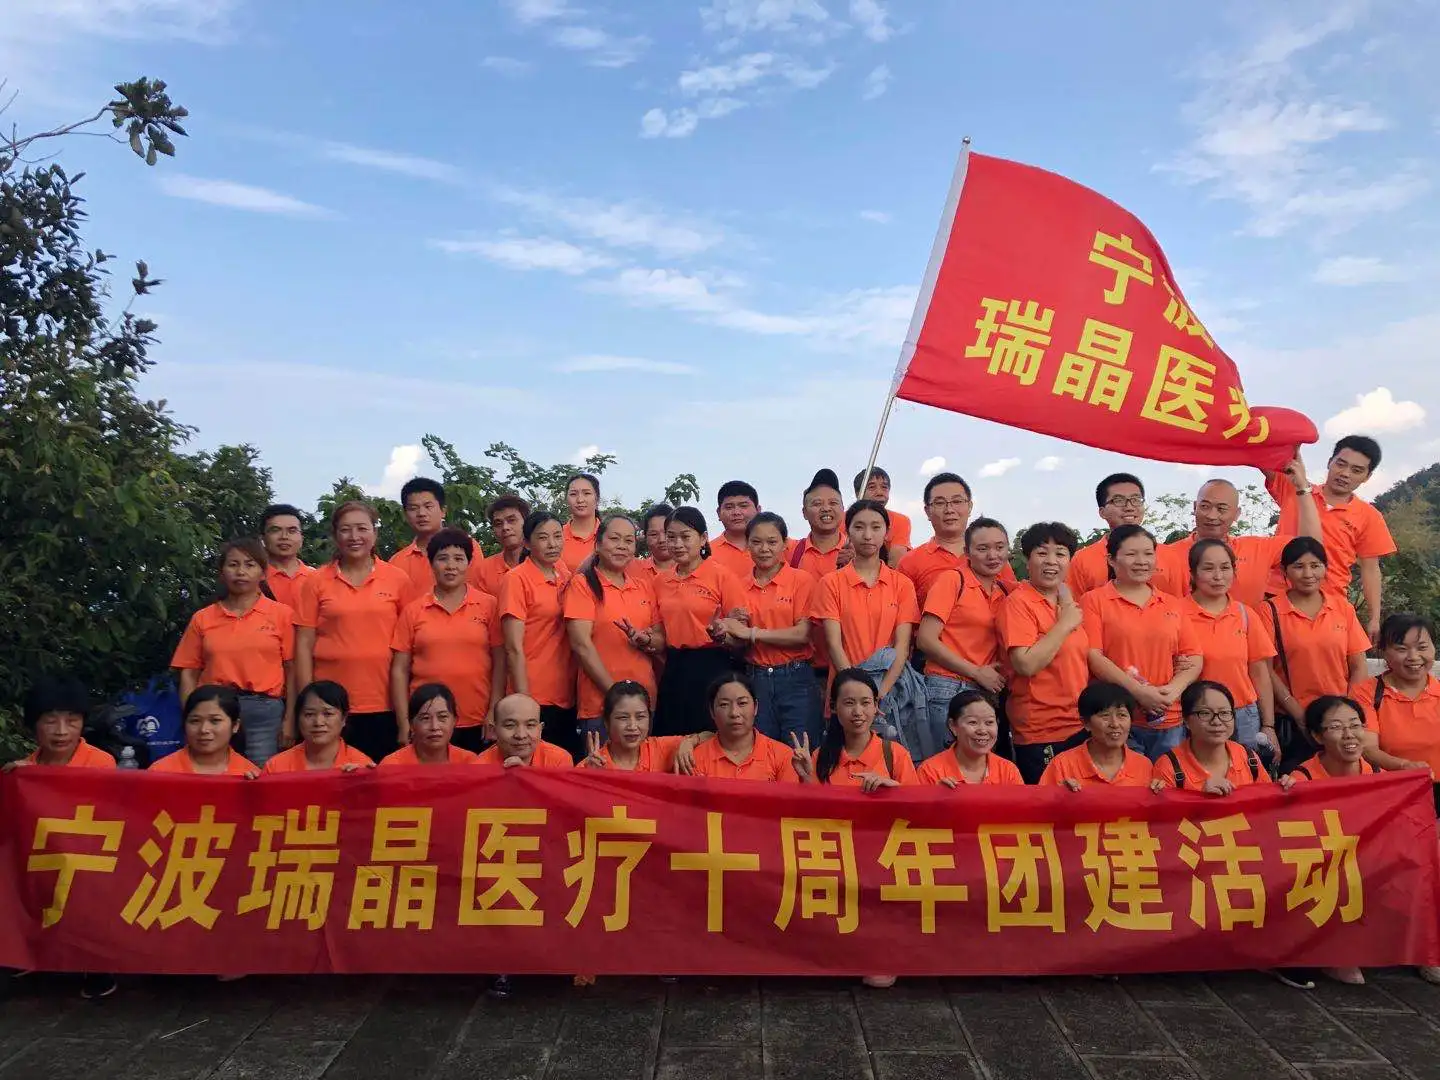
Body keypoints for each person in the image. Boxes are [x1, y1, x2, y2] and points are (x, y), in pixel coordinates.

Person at [294, 499, 414, 764]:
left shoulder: (398, 579)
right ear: (335, 535)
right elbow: (303, 644)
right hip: (329, 707)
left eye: (362, 528)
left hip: (385, 702)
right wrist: (306, 702)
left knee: (380, 780)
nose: (354, 536)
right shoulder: (315, 581)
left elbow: (410, 643)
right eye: (346, 529)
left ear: (375, 532)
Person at [1082, 525, 1202, 761]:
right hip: (1116, 717)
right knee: (1126, 781)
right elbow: (1094, 656)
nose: (1142, 561)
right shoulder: (1094, 601)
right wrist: (1139, 692)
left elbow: (1194, 656)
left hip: (1168, 717)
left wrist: (1170, 692)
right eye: (1131, 554)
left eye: (1148, 553)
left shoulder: (1172, 604)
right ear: (1111, 560)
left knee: (1168, 779)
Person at [171, 537, 294, 768]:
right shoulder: (203, 618)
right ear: (222, 572)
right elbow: (188, 671)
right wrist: (192, 714)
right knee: (213, 771)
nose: (241, 572)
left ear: (263, 573)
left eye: (249, 564)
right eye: (233, 564)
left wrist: (290, 719)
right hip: (214, 708)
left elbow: (292, 670)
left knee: (261, 775)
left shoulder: (282, 615)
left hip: (263, 711)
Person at [814, 500, 923, 753]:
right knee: (842, 763)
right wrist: (858, 694)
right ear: (847, 532)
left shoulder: (902, 584)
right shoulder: (831, 583)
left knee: (890, 761)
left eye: (876, 527)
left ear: (886, 532)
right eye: (859, 527)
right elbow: (834, 644)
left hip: (890, 692)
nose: (867, 535)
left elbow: (902, 646)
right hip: (845, 693)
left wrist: (878, 695)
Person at [1286, 694, 1377, 987]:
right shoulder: (1301, 779)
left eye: (1355, 725)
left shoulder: (1380, 776)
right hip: (1321, 868)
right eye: (1336, 727)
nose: (1349, 734)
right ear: (1317, 736)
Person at [1266, 436, 1396, 640]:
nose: (1345, 474)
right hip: (1276, 595)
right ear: (1329, 462)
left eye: (1356, 470)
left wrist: (1374, 618)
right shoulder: (1294, 486)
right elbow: (1262, 458)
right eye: (1340, 464)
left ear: (1367, 477)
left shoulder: (1370, 516)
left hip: (1328, 604)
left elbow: (1370, 569)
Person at [391, 528, 505, 755]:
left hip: (477, 719)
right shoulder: (413, 611)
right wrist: (404, 722)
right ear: (431, 563)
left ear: (469, 563)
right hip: (428, 722)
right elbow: (399, 670)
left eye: (459, 559)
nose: (451, 566)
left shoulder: (489, 605)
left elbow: (501, 662)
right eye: (442, 559)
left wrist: (494, 711)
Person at [713, 512, 819, 747]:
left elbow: (802, 634)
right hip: (755, 677)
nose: (764, 549)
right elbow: (739, 642)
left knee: (801, 750)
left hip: (796, 677)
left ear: (784, 544)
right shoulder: (738, 585)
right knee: (760, 751)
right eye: (756, 542)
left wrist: (752, 633)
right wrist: (723, 635)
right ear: (747, 545)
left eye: (772, 542)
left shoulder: (801, 580)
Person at [997, 523, 1091, 782]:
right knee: (1049, 803)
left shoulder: (1067, 601)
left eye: (1060, 553)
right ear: (1027, 561)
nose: (1051, 561)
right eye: (1041, 553)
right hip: (1041, 730)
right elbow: (1025, 664)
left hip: (1079, 723)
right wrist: (1064, 624)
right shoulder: (1018, 603)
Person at [1158, 461, 1320, 608]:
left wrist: (1303, 489)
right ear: (1195, 507)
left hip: (1246, 631)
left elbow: (1311, 548)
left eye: (1221, 509)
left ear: (1237, 514)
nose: (1212, 515)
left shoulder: (1258, 550)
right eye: (1205, 506)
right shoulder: (1166, 555)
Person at [564, 514, 664, 747]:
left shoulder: (643, 587)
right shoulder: (582, 585)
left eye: (628, 541)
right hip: (600, 705)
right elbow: (581, 645)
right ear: (598, 544)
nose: (622, 546)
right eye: (615, 539)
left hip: (643, 704)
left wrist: (645, 639)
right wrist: (615, 695)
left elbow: (660, 639)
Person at [917, 518, 1011, 765]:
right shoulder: (953, 580)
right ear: (967, 552)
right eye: (982, 548)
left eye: (1000, 547)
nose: (992, 555)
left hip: (986, 691)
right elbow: (926, 639)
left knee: (979, 770)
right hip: (948, 687)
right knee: (945, 769)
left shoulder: (1004, 590)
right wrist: (976, 672)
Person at [1265, 537, 1369, 757]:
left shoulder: (1342, 608)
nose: (1308, 574)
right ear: (1284, 570)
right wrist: (1297, 713)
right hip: (1292, 719)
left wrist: (1345, 711)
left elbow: (1358, 665)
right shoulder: (1269, 611)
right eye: (1298, 566)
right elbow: (1265, 669)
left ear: (1326, 568)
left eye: (1315, 565)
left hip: (1339, 720)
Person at [652, 506, 746, 737]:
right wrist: (646, 639)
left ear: (703, 539)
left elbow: (741, 634)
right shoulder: (660, 581)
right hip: (674, 668)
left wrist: (724, 635)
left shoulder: (722, 576)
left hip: (713, 666)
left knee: (709, 739)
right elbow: (660, 632)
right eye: (671, 537)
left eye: (685, 537)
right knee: (671, 739)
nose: (677, 544)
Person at [1181, 539, 1277, 754]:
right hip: (1194, 714)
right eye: (1208, 568)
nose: (1218, 576)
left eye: (1225, 568)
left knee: (1245, 769)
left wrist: (1268, 725)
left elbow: (1259, 672)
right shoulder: (1175, 614)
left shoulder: (1245, 614)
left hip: (1242, 715)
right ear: (1192, 573)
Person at [499, 511, 580, 757]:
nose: (552, 544)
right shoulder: (516, 579)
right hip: (534, 693)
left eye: (557, 536)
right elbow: (513, 647)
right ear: (526, 543)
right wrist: (524, 703)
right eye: (543, 537)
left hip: (566, 692)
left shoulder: (565, 576)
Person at [899, 472, 1016, 604]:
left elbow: (1012, 602)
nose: (949, 510)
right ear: (927, 511)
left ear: (970, 506)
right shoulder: (909, 563)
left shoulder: (995, 558)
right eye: (940, 503)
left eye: (957, 501)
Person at [1357, 614, 1440, 803]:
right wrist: (1404, 766)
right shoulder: (1367, 693)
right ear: (1384, 652)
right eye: (1402, 649)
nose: (1414, 657)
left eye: (1422, 647)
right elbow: (1368, 749)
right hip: (1392, 793)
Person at [799, 668, 917, 788]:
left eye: (865, 703)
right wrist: (806, 779)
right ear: (833, 707)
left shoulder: (896, 755)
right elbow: (813, 799)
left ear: (875, 706)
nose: (858, 712)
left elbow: (915, 799)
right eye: (849, 703)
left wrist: (894, 789)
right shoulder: (820, 757)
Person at [1069, 474, 1181, 598]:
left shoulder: (1169, 555)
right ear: (1102, 512)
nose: (1129, 507)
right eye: (1119, 501)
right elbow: (1073, 605)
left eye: (1136, 499)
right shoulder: (1081, 560)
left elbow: (1178, 602)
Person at [1152, 681, 1270, 793]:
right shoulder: (1169, 767)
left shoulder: (1249, 758)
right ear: (1186, 720)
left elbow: (1267, 800)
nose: (1216, 721)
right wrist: (1201, 798)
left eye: (1224, 713)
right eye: (1205, 713)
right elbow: (1165, 807)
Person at [687, 673, 805, 781]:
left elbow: (790, 798)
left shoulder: (782, 755)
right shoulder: (695, 758)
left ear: (756, 707)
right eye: (724, 704)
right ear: (712, 711)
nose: (734, 713)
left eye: (742, 703)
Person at [1038, 682, 1154, 789]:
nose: (1115, 724)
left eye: (1122, 715)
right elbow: (1043, 803)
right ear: (1086, 723)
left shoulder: (1144, 765)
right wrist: (1060, 796)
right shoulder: (1062, 765)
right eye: (1105, 715)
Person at [579, 681, 705, 772]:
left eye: (640, 717)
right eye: (623, 717)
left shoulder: (659, 748)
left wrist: (689, 742)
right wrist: (589, 778)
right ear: (607, 721)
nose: (632, 726)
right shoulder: (591, 765)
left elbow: (710, 736)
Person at [916, 689, 1024, 786]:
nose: (982, 730)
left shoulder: (1008, 771)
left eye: (989, 722)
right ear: (953, 726)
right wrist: (935, 796)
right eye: (973, 722)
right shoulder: (930, 771)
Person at [262, 681, 375, 772]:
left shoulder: (361, 766)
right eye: (309, 714)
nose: (318, 722)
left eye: (328, 714)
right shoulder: (276, 768)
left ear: (344, 719)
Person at [5, 676, 114, 770]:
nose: (61, 731)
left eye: (71, 721)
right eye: (51, 722)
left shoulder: (100, 764)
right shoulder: (24, 769)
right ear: (33, 724)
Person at [150, 685, 256, 775]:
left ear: (235, 725)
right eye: (195, 721)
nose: (204, 729)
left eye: (215, 720)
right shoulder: (160, 773)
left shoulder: (249, 774)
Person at [379, 684, 477, 765]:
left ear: (454, 721)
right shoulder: (392, 765)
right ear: (411, 725)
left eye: (442, 717)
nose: (434, 727)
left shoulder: (469, 762)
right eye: (425, 718)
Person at [475, 693, 575, 768]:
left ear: (540, 730)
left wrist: (526, 776)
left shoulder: (558, 760)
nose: (520, 735)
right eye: (510, 725)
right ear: (494, 731)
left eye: (530, 725)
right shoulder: (479, 766)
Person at [391, 477, 449, 594]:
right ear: (405, 515)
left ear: (443, 511)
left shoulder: (468, 548)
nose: (421, 513)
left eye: (428, 506)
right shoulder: (396, 563)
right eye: (413, 508)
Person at [791, 469, 849, 578]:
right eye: (817, 503)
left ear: (843, 509)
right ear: (804, 513)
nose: (826, 508)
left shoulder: (856, 552)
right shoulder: (790, 550)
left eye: (833, 503)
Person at [469, 494, 531, 596]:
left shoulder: (546, 564)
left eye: (511, 520)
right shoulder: (483, 571)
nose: (505, 527)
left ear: (527, 523)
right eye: (498, 524)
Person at [260, 503, 314, 610]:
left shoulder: (317, 578)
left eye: (292, 531)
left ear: (301, 539)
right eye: (275, 530)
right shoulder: (252, 578)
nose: (284, 537)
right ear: (262, 538)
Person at [854, 466, 911, 566]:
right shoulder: (841, 520)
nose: (880, 493)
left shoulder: (900, 520)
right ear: (858, 493)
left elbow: (896, 563)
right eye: (872, 487)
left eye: (884, 487)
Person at [710, 481, 764, 577]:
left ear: (758, 510)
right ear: (718, 513)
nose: (736, 512)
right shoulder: (705, 553)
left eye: (743, 506)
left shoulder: (782, 547)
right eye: (729, 507)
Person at [560, 472, 601, 570]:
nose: (580, 500)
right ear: (566, 499)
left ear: (597, 498)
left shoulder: (610, 535)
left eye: (586, 493)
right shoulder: (556, 536)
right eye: (573, 494)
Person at [634, 504, 676, 580]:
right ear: (645, 537)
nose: (662, 540)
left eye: (667, 532)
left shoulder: (694, 569)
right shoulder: (633, 570)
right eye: (654, 534)